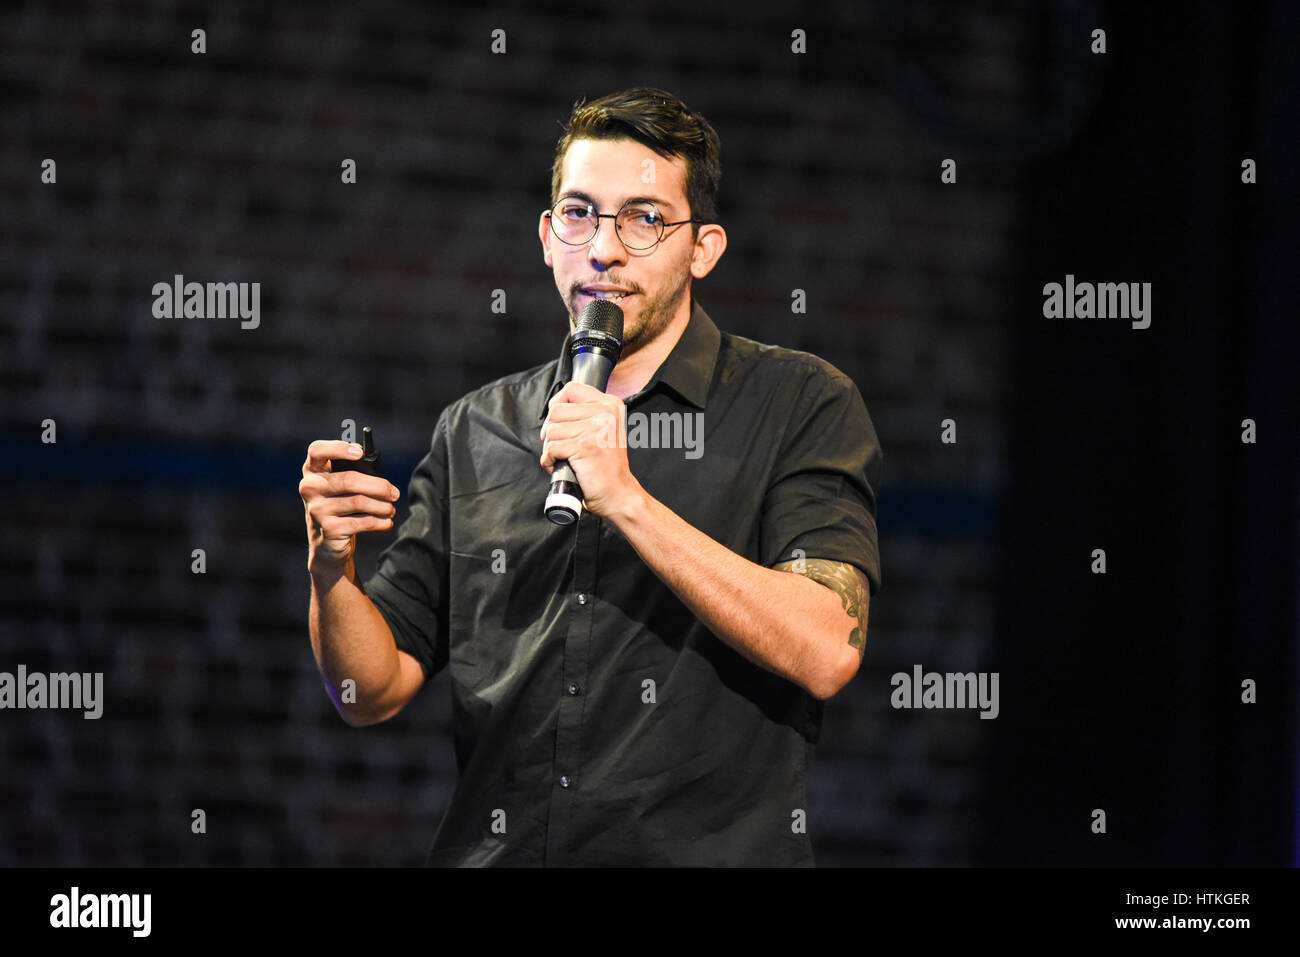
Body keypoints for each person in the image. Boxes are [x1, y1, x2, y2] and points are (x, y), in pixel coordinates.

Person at [299, 87, 883, 866]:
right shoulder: (477, 428)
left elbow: (828, 646)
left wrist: (629, 500)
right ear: (547, 237)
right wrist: (330, 568)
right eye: (579, 214)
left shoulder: (797, 402)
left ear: (702, 248)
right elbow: (367, 693)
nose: (603, 248)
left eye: (644, 219)